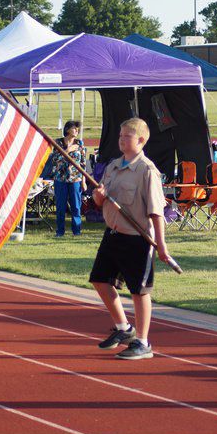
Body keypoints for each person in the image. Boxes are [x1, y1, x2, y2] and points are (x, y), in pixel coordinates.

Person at [90, 118, 169, 360]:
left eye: (127, 136)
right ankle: (124, 329)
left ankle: (143, 342)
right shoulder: (114, 166)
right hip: (113, 234)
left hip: (137, 238)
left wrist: (162, 247)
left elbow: (156, 211)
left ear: (141, 140)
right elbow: (99, 201)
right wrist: (98, 196)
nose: (121, 140)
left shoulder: (147, 171)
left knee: (139, 291)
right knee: (100, 281)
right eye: (121, 136)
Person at [52, 120, 85, 237]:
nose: (76, 130)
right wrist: (68, 150)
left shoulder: (79, 143)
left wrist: (84, 181)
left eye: (77, 128)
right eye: (74, 128)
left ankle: (77, 231)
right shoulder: (58, 143)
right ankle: (60, 231)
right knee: (61, 206)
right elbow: (55, 160)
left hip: (75, 179)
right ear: (67, 130)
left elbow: (83, 164)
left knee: (76, 206)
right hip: (60, 179)